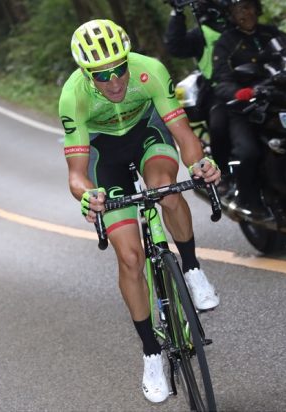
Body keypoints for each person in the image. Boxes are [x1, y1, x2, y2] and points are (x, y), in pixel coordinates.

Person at [59, 19, 221, 404]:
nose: (115, 82)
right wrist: (89, 197)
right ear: (86, 73)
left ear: (128, 60)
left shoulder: (149, 70)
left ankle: (193, 268)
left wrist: (199, 165)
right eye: (102, 75)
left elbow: (183, 135)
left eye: (120, 69)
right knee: (130, 258)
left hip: (148, 136)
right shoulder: (73, 97)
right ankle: (151, 353)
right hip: (104, 156)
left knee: (166, 190)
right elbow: (77, 176)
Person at [210, 0, 286, 218]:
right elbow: (221, 79)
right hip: (246, 106)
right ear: (231, 15)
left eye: (249, 7)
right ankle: (249, 200)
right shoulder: (226, 42)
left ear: (257, 8)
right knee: (248, 152)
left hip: (279, 97)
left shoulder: (271, 33)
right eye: (239, 9)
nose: (246, 13)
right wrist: (239, 93)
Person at [164, 0, 231, 187]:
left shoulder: (246, 22)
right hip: (218, 92)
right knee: (219, 126)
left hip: (260, 84)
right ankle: (221, 174)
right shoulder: (201, 34)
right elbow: (175, 45)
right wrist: (177, 12)